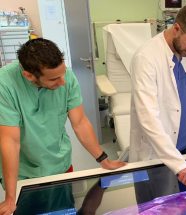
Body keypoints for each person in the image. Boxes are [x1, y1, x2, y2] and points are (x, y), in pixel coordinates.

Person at [0, 38, 125, 215]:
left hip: (59, 164)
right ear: (29, 75)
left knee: (62, 210)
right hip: (24, 174)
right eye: (54, 79)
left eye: (63, 74)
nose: (63, 82)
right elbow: (10, 141)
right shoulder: (4, 85)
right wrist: (11, 197)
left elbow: (80, 122)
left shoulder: (66, 77)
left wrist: (104, 160)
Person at [129, 3, 186, 196]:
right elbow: (148, 117)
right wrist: (178, 164)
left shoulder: (181, 51)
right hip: (160, 155)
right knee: (161, 208)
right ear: (176, 29)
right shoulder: (146, 58)